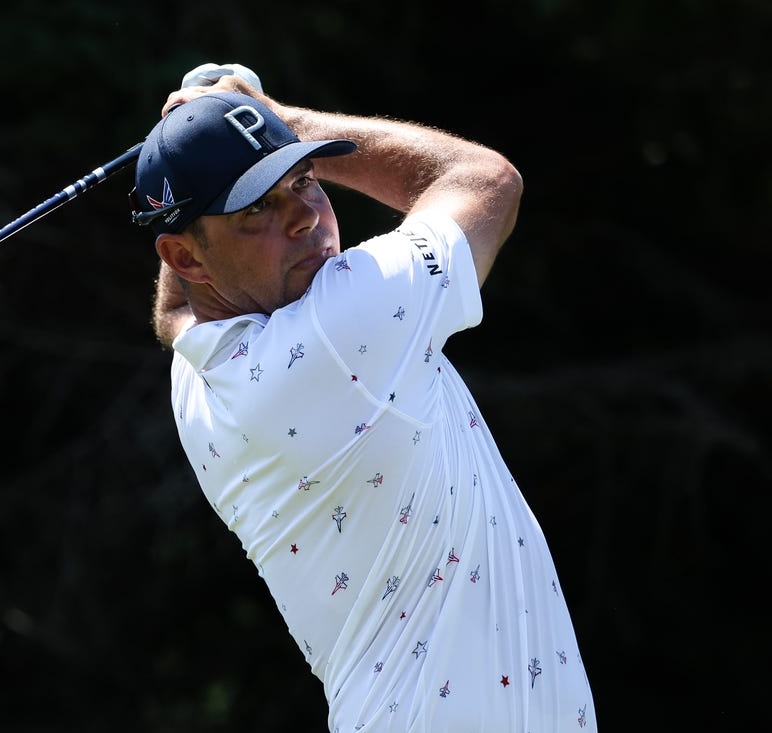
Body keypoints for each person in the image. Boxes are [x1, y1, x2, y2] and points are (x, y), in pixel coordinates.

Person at [129, 73, 597, 732]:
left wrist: (205, 136)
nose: (303, 217)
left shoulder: (199, 368)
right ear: (186, 254)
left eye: (302, 180)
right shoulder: (342, 328)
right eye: (254, 210)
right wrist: (284, 118)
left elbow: (173, 306)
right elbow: (486, 180)